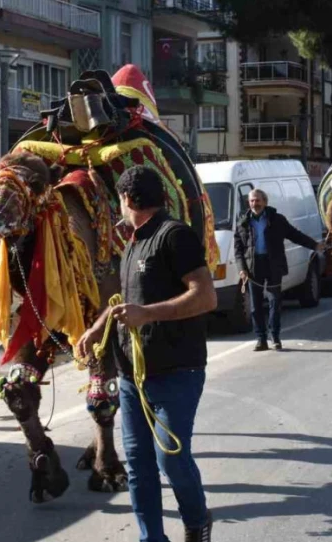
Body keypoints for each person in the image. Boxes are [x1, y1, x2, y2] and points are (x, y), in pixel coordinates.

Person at [77, 166, 216, 542]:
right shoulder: (133, 243)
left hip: (176, 372)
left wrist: (148, 314)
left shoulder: (175, 236)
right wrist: (97, 326)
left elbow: (205, 295)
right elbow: (125, 301)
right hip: (131, 377)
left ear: (127, 199)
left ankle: (197, 519)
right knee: (138, 466)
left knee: (170, 458)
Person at [233, 189, 324, 351]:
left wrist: (315, 245)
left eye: (258, 200)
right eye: (252, 201)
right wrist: (242, 269)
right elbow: (238, 249)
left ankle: (275, 336)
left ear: (265, 202)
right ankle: (261, 338)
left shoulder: (277, 220)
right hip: (253, 267)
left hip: (273, 264)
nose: (255, 204)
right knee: (256, 306)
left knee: (275, 301)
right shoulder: (243, 222)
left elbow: (295, 235)